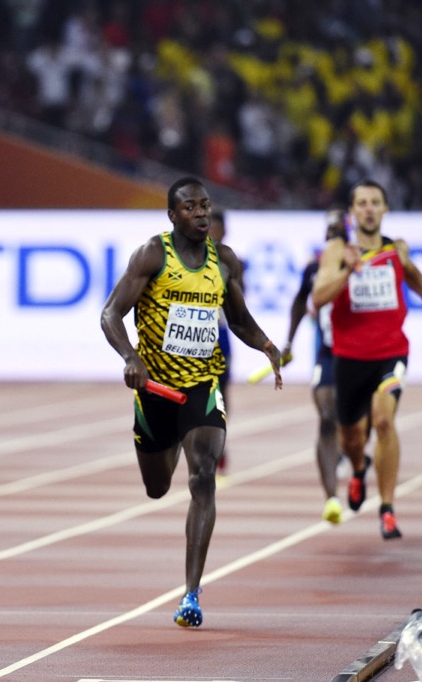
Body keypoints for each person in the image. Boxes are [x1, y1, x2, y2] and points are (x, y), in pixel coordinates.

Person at [100, 177, 282, 628]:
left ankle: (191, 595)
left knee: (203, 477)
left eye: (206, 206)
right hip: (156, 389)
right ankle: (168, 443)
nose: (201, 213)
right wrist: (131, 357)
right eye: (190, 207)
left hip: (202, 385)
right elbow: (110, 313)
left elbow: (237, 317)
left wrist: (266, 345)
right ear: (173, 215)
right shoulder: (152, 255)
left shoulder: (225, 261)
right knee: (158, 487)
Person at [310, 179, 422, 540]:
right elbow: (318, 297)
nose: (368, 208)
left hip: (391, 352)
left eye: (374, 202)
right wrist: (349, 270)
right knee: (351, 437)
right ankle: (358, 466)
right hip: (349, 358)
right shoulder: (338, 251)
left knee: (383, 421)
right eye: (361, 203)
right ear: (352, 213)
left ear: (384, 210)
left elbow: (412, 274)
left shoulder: (397, 249)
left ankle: (387, 508)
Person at [281, 209, 348, 524]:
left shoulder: (362, 263)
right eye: (330, 229)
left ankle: (353, 450)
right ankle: (332, 498)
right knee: (325, 416)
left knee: (357, 422)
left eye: (340, 228)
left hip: (361, 355)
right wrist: (289, 344)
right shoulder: (313, 268)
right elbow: (298, 302)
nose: (334, 234)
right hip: (327, 354)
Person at [207, 210, 231, 476]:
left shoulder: (229, 261)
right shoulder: (187, 258)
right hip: (192, 336)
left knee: (221, 395)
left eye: (218, 228)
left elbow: (239, 305)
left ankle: (219, 443)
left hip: (220, 334)